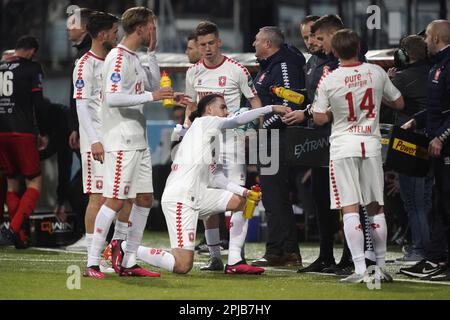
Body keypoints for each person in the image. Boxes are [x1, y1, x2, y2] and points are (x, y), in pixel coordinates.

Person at [121, 94, 291, 274]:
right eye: (223, 107)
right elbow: (237, 120)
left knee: (242, 202)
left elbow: (216, 177)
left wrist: (243, 192)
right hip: (181, 198)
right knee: (182, 266)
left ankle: (234, 261)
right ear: (209, 110)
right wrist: (270, 108)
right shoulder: (204, 122)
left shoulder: (210, 137)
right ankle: (126, 247)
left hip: (199, 195)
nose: (226, 111)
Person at [85, 7, 179, 278]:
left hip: (138, 138)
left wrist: (151, 53)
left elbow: (151, 84)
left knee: (146, 198)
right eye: (152, 26)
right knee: (114, 200)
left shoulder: (135, 57)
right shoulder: (116, 56)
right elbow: (113, 97)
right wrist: (152, 97)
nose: (155, 30)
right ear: (141, 28)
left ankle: (128, 262)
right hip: (121, 140)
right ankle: (92, 262)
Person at [311, 29, 404, 283]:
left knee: (349, 208)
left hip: (343, 147)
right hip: (371, 145)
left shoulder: (329, 79)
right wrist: (374, 97)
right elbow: (399, 103)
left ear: (334, 51)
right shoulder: (376, 72)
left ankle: (362, 270)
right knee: (376, 208)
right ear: (359, 46)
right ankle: (380, 267)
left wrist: (331, 111)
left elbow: (318, 117)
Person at [185, 21, 263, 271]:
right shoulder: (193, 72)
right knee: (207, 200)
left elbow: (254, 101)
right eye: (202, 44)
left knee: (239, 196)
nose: (207, 49)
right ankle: (215, 257)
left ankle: (236, 258)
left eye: (210, 43)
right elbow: (191, 107)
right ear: (197, 46)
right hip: (204, 147)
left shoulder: (236, 70)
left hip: (232, 144)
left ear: (219, 42)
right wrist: (187, 130)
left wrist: (257, 131)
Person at [250, 26, 305, 267]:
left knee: (275, 196)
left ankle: (282, 250)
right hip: (270, 139)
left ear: (269, 45)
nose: (253, 44)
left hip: (277, 139)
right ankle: (282, 250)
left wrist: (262, 129)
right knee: (273, 196)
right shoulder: (270, 67)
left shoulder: (283, 66)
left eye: (257, 40)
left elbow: (287, 106)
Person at [71, 11, 120, 277]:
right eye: (114, 31)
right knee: (97, 197)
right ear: (102, 35)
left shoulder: (113, 60)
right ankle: (93, 256)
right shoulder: (84, 64)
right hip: (96, 143)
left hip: (115, 140)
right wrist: (95, 141)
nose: (117, 35)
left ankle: (109, 251)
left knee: (119, 197)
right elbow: (82, 106)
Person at [401, 20, 450, 281]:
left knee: (445, 204)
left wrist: (441, 137)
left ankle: (439, 260)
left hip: (445, 146)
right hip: (437, 146)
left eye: (428, 36)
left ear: (437, 38)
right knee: (439, 204)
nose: (426, 40)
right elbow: (436, 106)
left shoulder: (448, 64)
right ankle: (435, 258)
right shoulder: (437, 66)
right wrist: (417, 120)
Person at [384, 35, 433, 264]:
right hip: (432, 141)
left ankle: (419, 250)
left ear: (406, 54)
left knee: (413, 202)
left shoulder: (401, 78)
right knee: (425, 200)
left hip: (410, 142)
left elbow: (386, 99)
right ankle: (427, 248)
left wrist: (388, 80)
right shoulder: (433, 72)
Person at [0, 36, 48, 248]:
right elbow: (38, 104)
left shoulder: (0, 67)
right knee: (35, 181)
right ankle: (12, 228)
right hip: (23, 131)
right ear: (31, 51)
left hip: (1, 132)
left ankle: (19, 236)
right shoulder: (32, 67)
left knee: (12, 181)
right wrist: (43, 131)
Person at [65, 7, 93, 250]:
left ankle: (93, 235)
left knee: (85, 186)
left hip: (90, 131)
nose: (67, 28)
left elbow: (82, 99)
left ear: (85, 27)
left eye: (72, 24)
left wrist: (78, 127)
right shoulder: (81, 55)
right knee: (82, 186)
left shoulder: (89, 56)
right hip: (82, 129)